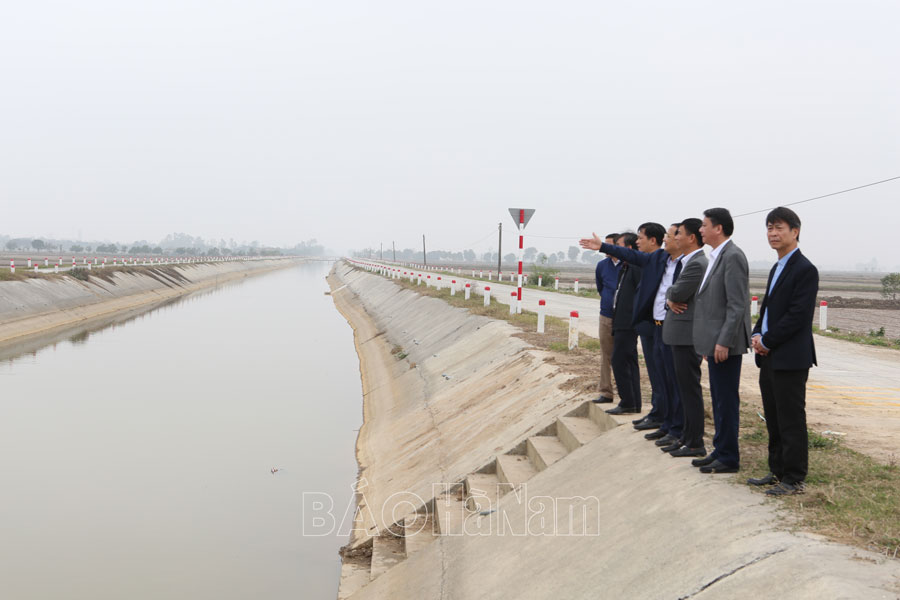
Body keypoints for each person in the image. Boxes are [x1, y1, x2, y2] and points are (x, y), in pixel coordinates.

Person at [749, 207, 818, 495]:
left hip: (790, 356)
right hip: (770, 356)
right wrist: (756, 332)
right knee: (773, 416)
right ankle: (777, 470)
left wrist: (768, 340)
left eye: (778, 228)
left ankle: (794, 478)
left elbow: (797, 315)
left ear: (795, 231)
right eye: (769, 228)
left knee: (791, 418)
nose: (773, 234)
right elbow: (768, 310)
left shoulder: (805, 269)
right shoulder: (777, 267)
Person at [580, 223, 671, 433]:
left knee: (647, 367)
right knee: (646, 366)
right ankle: (650, 411)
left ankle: (644, 407)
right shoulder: (635, 263)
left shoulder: (656, 261)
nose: (638, 242)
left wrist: (603, 245)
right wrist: (602, 247)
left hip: (642, 323)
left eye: (640, 238)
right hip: (629, 320)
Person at [690, 208, 751, 474]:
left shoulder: (733, 256)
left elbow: (737, 305)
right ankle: (720, 449)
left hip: (726, 344)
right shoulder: (716, 256)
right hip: (714, 343)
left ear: (719, 228)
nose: (700, 230)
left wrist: (723, 341)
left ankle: (728, 457)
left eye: (704, 226)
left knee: (726, 399)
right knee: (718, 398)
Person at [663, 218, 708, 457]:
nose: (675, 237)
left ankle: (694, 442)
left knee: (690, 390)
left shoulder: (697, 263)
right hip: (679, 335)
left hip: (687, 336)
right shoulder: (688, 261)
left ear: (691, 237)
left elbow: (677, 291)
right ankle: (686, 437)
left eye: (678, 233)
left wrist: (670, 297)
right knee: (683, 389)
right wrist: (671, 297)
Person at [606, 233, 642, 414]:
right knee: (628, 361)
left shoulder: (636, 267)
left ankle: (628, 401)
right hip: (620, 320)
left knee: (619, 360)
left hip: (628, 322)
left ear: (628, 249)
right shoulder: (625, 267)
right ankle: (634, 402)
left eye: (618, 245)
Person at [592, 233, 622, 404]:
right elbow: (600, 287)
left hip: (624, 318)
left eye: (609, 245)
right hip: (606, 315)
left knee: (624, 356)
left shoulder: (628, 264)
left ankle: (625, 393)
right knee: (606, 354)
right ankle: (606, 391)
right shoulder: (602, 266)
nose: (605, 248)